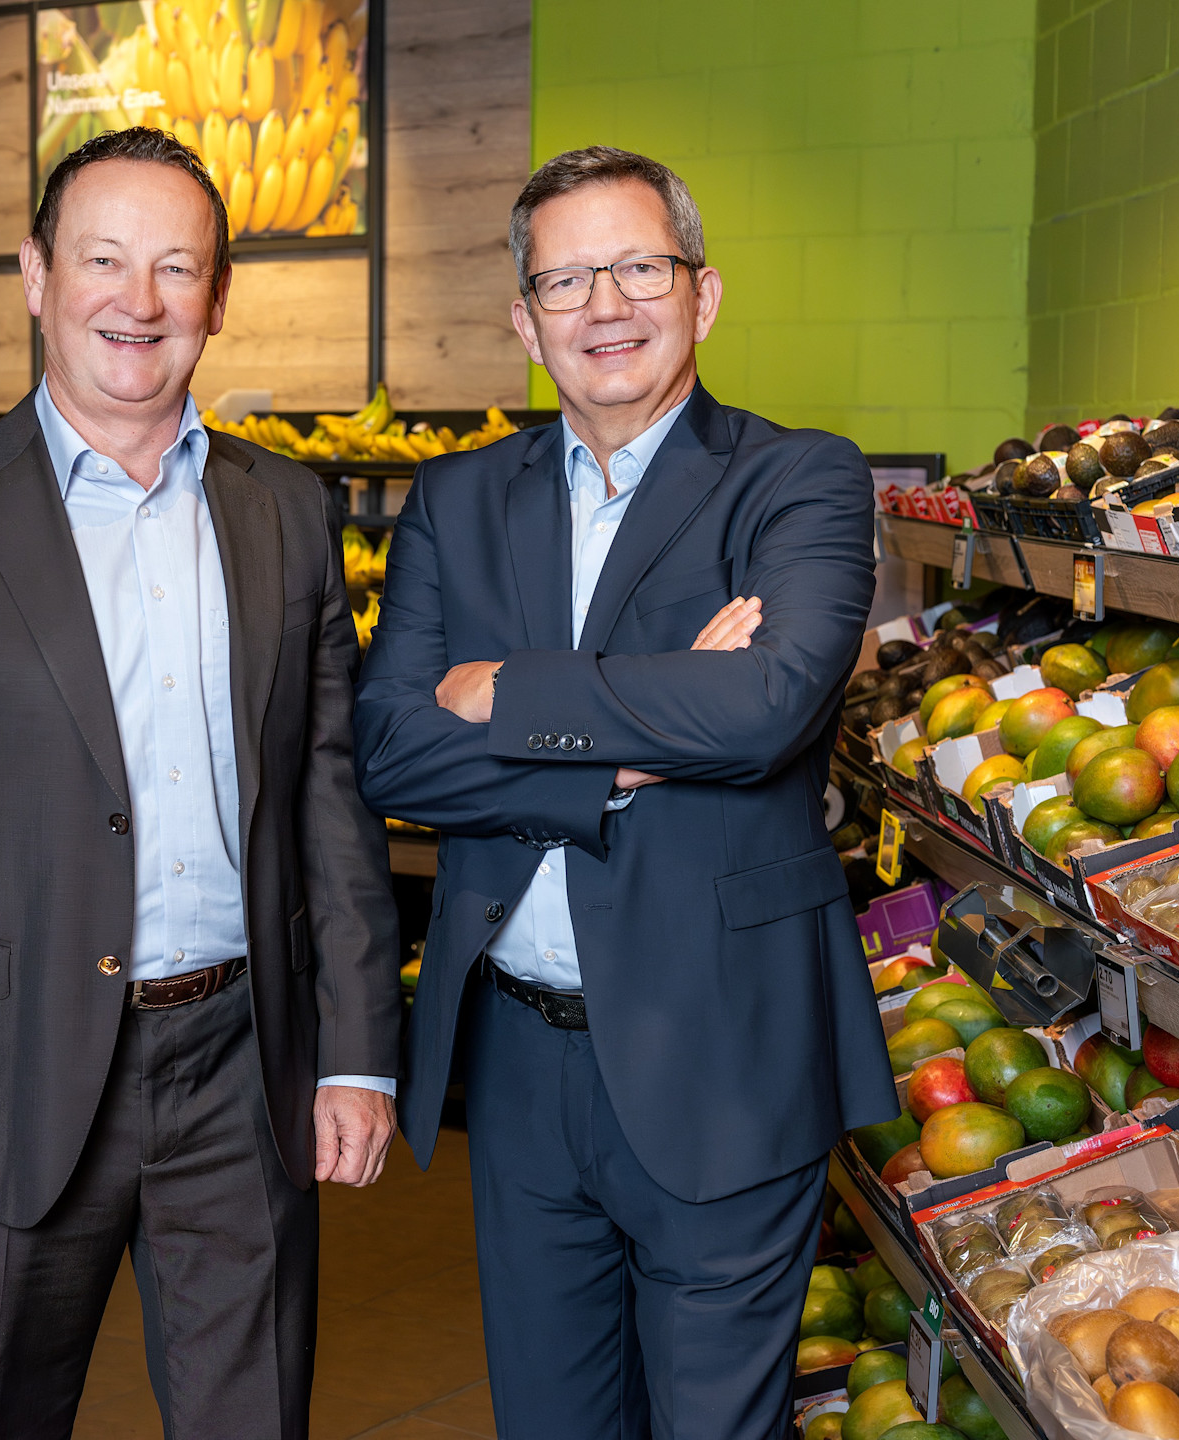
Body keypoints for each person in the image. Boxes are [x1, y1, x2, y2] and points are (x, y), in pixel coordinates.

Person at [0, 127, 401, 1440]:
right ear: (35, 274)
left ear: (219, 299)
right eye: (104, 260)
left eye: (177, 268)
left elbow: (327, 798)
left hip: (241, 1069)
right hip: (2, 1080)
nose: (140, 301)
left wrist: (357, 1051)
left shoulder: (286, 509)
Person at [352, 145, 899, 1440]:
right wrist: (635, 748)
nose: (606, 305)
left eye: (639, 266)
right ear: (523, 321)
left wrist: (513, 697)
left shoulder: (799, 478)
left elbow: (764, 708)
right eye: (567, 278)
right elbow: (387, 748)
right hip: (519, 1064)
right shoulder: (458, 500)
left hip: (726, 1050)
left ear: (702, 295)